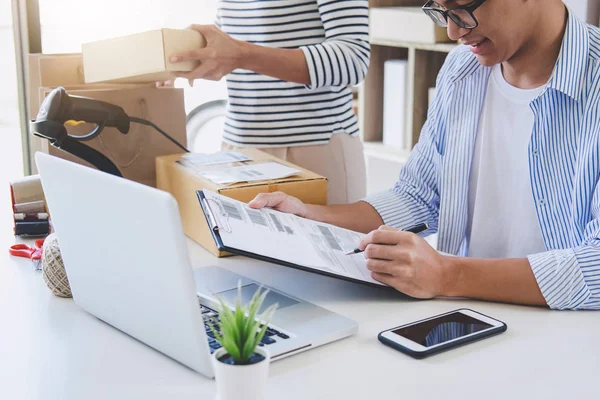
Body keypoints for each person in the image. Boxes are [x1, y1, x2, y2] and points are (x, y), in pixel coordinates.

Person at [247, 0, 600, 311]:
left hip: (565, 343)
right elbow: (418, 196)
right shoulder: (462, 71)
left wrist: (447, 275)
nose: (452, 31)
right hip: (470, 321)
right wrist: (310, 217)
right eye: (439, 9)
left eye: (463, 7)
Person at [164, 0, 370, 205]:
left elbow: (353, 59)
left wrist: (240, 54)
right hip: (239, 149)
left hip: (314, 150)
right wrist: (188, 58)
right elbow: (239, 36)